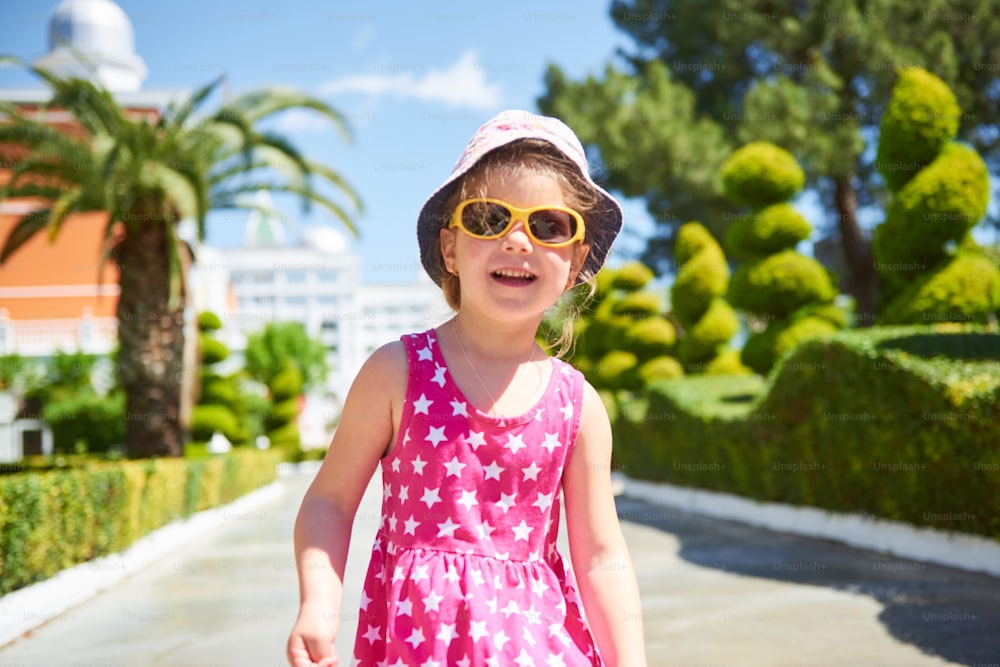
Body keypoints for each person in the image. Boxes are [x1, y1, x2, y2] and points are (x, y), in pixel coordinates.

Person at [287, 110, 647, 666]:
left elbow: (601, 555)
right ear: (450, 247)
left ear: (576, 261)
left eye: (549, 225)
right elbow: (330, 503)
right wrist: (319, 601)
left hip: (542, 649)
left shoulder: (578, 406)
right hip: (418, 645)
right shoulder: (397, 373)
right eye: (488, 219)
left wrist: (632, 660)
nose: (518, 241)